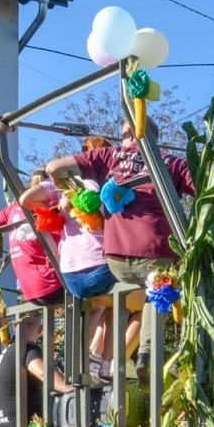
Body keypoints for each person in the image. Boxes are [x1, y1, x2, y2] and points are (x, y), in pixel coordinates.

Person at [44, 118, 195, 367]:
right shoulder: (172, 163)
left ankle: (85, 358)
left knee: (125, 295)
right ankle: (149, 351)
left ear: (125, 136)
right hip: (154, 256)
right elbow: (204, 189)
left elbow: (53, 169)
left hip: (115, 261)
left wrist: (76, 194)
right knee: (165, 286)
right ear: (154, 138)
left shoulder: (108, 156)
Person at [17, 171, 116, 378]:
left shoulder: (55, 189)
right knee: (125, 300)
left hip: (68, 275)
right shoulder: (98, 182)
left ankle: (77, 357)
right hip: (91, 269)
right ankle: (106, 361)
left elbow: (25, 199)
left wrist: (48, 211)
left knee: (96, 302)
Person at [0, 316, 74, 427]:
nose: (25, 329)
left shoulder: (8, 351)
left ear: (40, 329)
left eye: (29, 325)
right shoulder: (26, 347)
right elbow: (44, 373)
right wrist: (70, 388)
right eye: (23, 324)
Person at [0, 198, 64, 307]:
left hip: (28, 290)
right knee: (94, 301)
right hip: (51, 284)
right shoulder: (50, 202)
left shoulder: (12, 209)